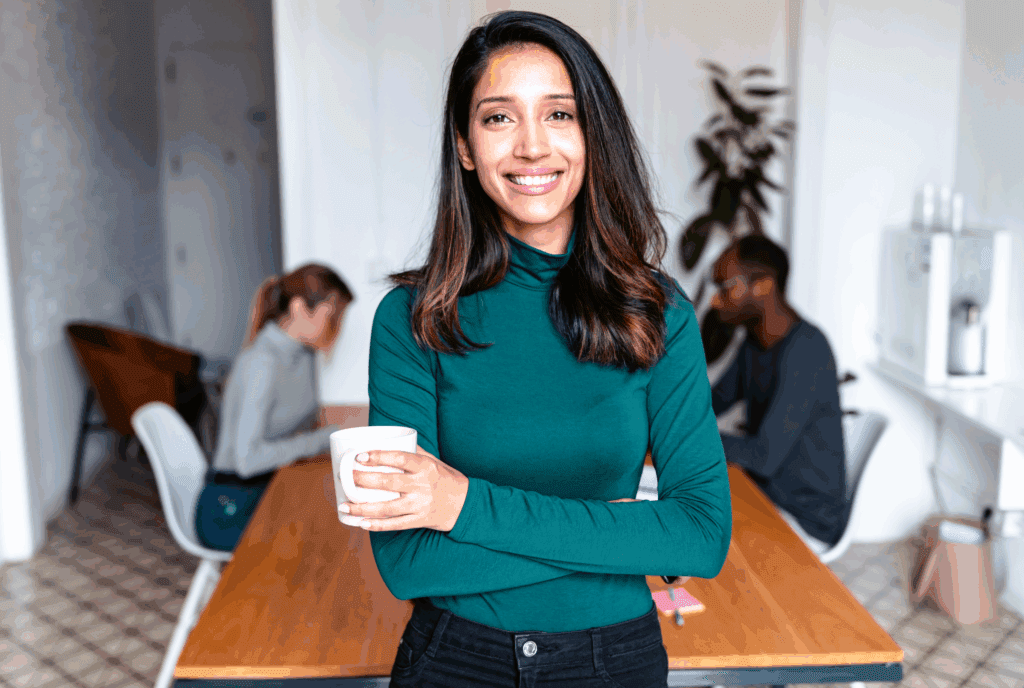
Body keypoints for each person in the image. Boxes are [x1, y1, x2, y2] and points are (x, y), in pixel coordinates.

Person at [338, 11, 731, 687]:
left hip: (615, 662)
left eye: (559, 114)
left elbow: (700, 535)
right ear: (465, 145)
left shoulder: (659, 315)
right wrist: (623, 532)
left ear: (591, 135)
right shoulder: (410, 320)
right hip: (453, 660)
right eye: (497, 118)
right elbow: (407, 564)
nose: (530, 146)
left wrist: (459, 507)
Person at [194, 264, 352, 551]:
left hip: (268, 486)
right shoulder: (261, 364)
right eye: (333, 317)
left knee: (340, 520)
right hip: (231, 506)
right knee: (325, 542)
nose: (337, 329)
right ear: (299, 308)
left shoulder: (303, 354)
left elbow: (300, 426)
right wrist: (322, 440)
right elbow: (247, 461)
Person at [708, 234, 849, 550]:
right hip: (765, 494)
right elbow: (711, 402)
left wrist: (689, 436)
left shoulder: (807, 350)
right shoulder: (754, 343)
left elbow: (764, 457)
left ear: (763, 287)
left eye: (725, 287)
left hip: (804, 518)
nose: (715, 301)